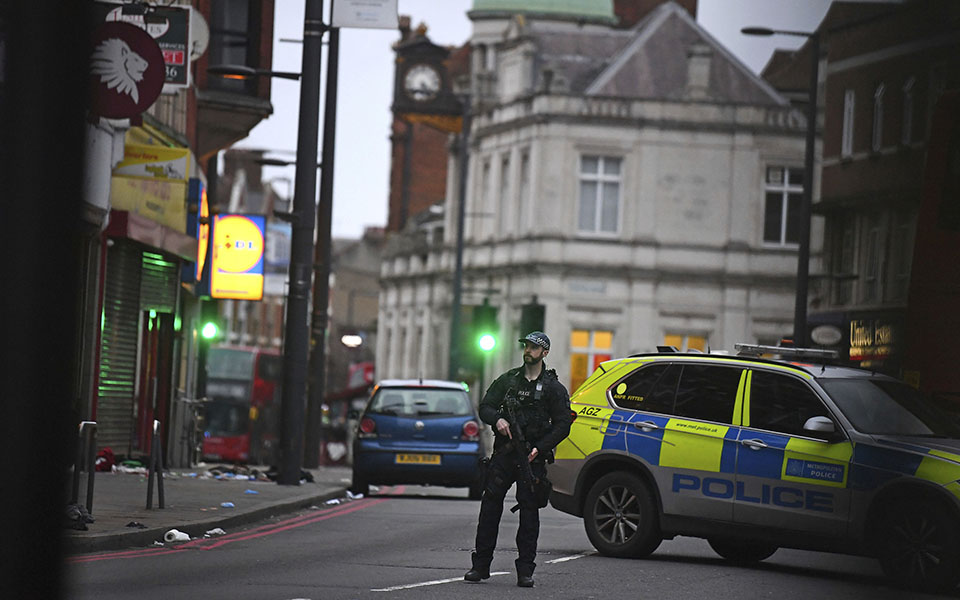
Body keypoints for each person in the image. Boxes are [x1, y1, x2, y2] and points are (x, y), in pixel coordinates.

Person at [464, 331, 572, 588]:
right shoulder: (508, 381)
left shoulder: (553, 388)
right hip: (504, 455)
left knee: (529, 514)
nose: (528, 351)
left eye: (534, 347)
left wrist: (539, 448)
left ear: (544, 353)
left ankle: (525, 570)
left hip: (531, 459)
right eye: (526, 346)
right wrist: (498, 419)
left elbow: (563, 424)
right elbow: (486, 406)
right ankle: (480, 566)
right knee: (490, 508)